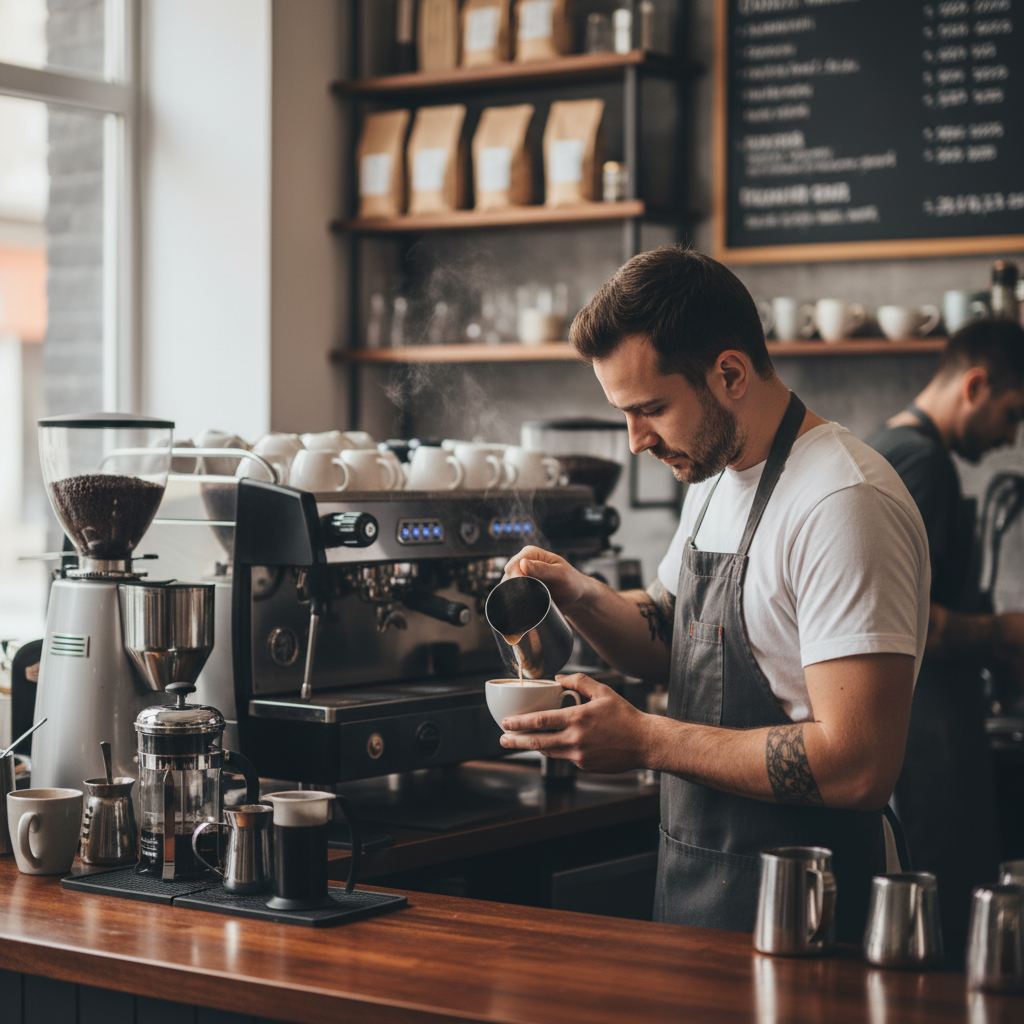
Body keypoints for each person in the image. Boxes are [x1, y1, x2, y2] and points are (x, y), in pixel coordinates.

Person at [499, 246, 930, 942]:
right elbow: (668, 636)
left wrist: (645, 740)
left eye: (651, 409)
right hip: (697, 901)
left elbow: (859, 766)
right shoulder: (713, 477)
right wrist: (578, 593)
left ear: (729, 373)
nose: (636, 441)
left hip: (811, 916)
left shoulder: (843, 501)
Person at [867, 319, 1024, 957]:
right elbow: (914, 620)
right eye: (1012, 414)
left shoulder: (890, 447)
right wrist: (1006, 630)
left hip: (921, 735)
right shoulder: (923, 462)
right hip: (927, 742)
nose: (1012, 436)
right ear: (976, 384)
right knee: (949, 935)